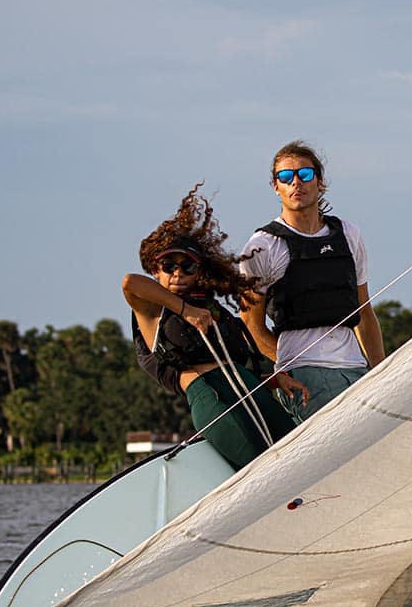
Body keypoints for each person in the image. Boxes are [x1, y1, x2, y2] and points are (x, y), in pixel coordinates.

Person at [123, 184, 305, 469]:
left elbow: (238, 356)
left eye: (188, 267)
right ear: (155, 269)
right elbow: (129, 283)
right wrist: (185, 310)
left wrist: (273, 378)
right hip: (210, 396)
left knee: (300, 454)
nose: (178, 274)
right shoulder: (152, 309)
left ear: (200, 271)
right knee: (263, 470)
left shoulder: (210, 307)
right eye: (169, 266)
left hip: (248, 387)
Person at [240, 141, 385, 422]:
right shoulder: (262, 246)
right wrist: (286, 369)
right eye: (285, 177)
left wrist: (381, 371)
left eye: (305, 174)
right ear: (276, 187)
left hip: (355, 369)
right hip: (305, 372)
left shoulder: (349, 234)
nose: (296, 182)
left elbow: (364, 311)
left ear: (319, 181)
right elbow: (250, 326)